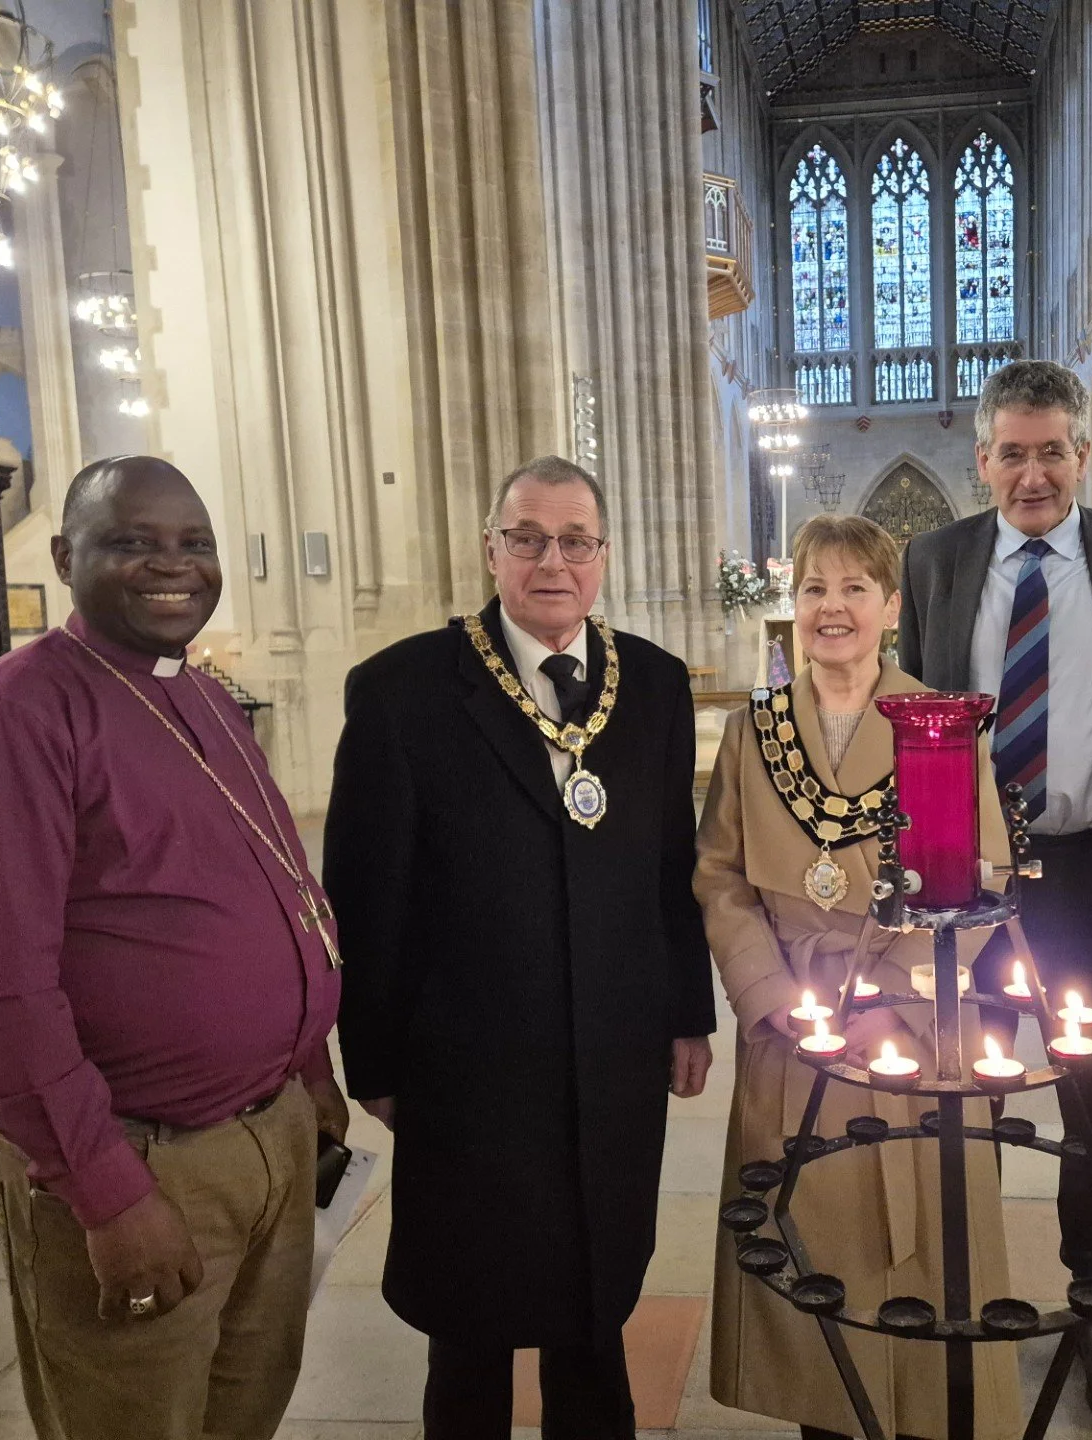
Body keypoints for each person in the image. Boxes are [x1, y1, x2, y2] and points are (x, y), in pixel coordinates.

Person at [0, 456, 347, 1440]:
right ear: (66, 557)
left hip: (268, 1136)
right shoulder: (6, 718)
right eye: (134, 542)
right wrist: (108, 1195)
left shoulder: (196, 693)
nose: (174, 566)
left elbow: (279, 882)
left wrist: (305, 1069)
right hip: (142, 1161)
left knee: (242, 1413)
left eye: (194, 544)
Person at [325, 455, 716, 1440]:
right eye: (529, 537)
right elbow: (365, 897)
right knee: (472, 1317)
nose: (553, 560)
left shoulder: (656, 687)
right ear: (491, 549)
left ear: (603, 556)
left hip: (615, 1055)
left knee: (594, 1303)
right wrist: (372, 1061)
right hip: (467, 1065)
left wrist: (686, 1011)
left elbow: (675, 866)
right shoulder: (404, 690)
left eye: (575, 540)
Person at [895, 358, 1092, 1428]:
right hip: (961, 882)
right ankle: (942, 1288)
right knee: (940, 1092)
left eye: (1051, 450)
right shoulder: (935, 559)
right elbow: (914, 718)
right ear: (983, 461)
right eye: (1011, 453)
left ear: (1083, 453)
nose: (1032, 472)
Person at [698, 515, 1020, 1440]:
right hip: (795, 1032)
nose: (831, 608)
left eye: (852, 589)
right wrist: (768, 998)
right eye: (813, 589)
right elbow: (720, 876)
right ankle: (825, 1420)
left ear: (891, 606)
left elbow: (988, 871)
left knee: (921, 1278)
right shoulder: (752, 732)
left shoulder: (947, 728)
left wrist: (893, 983)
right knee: (813, 1263)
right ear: (792, 606)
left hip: (914, 1030)